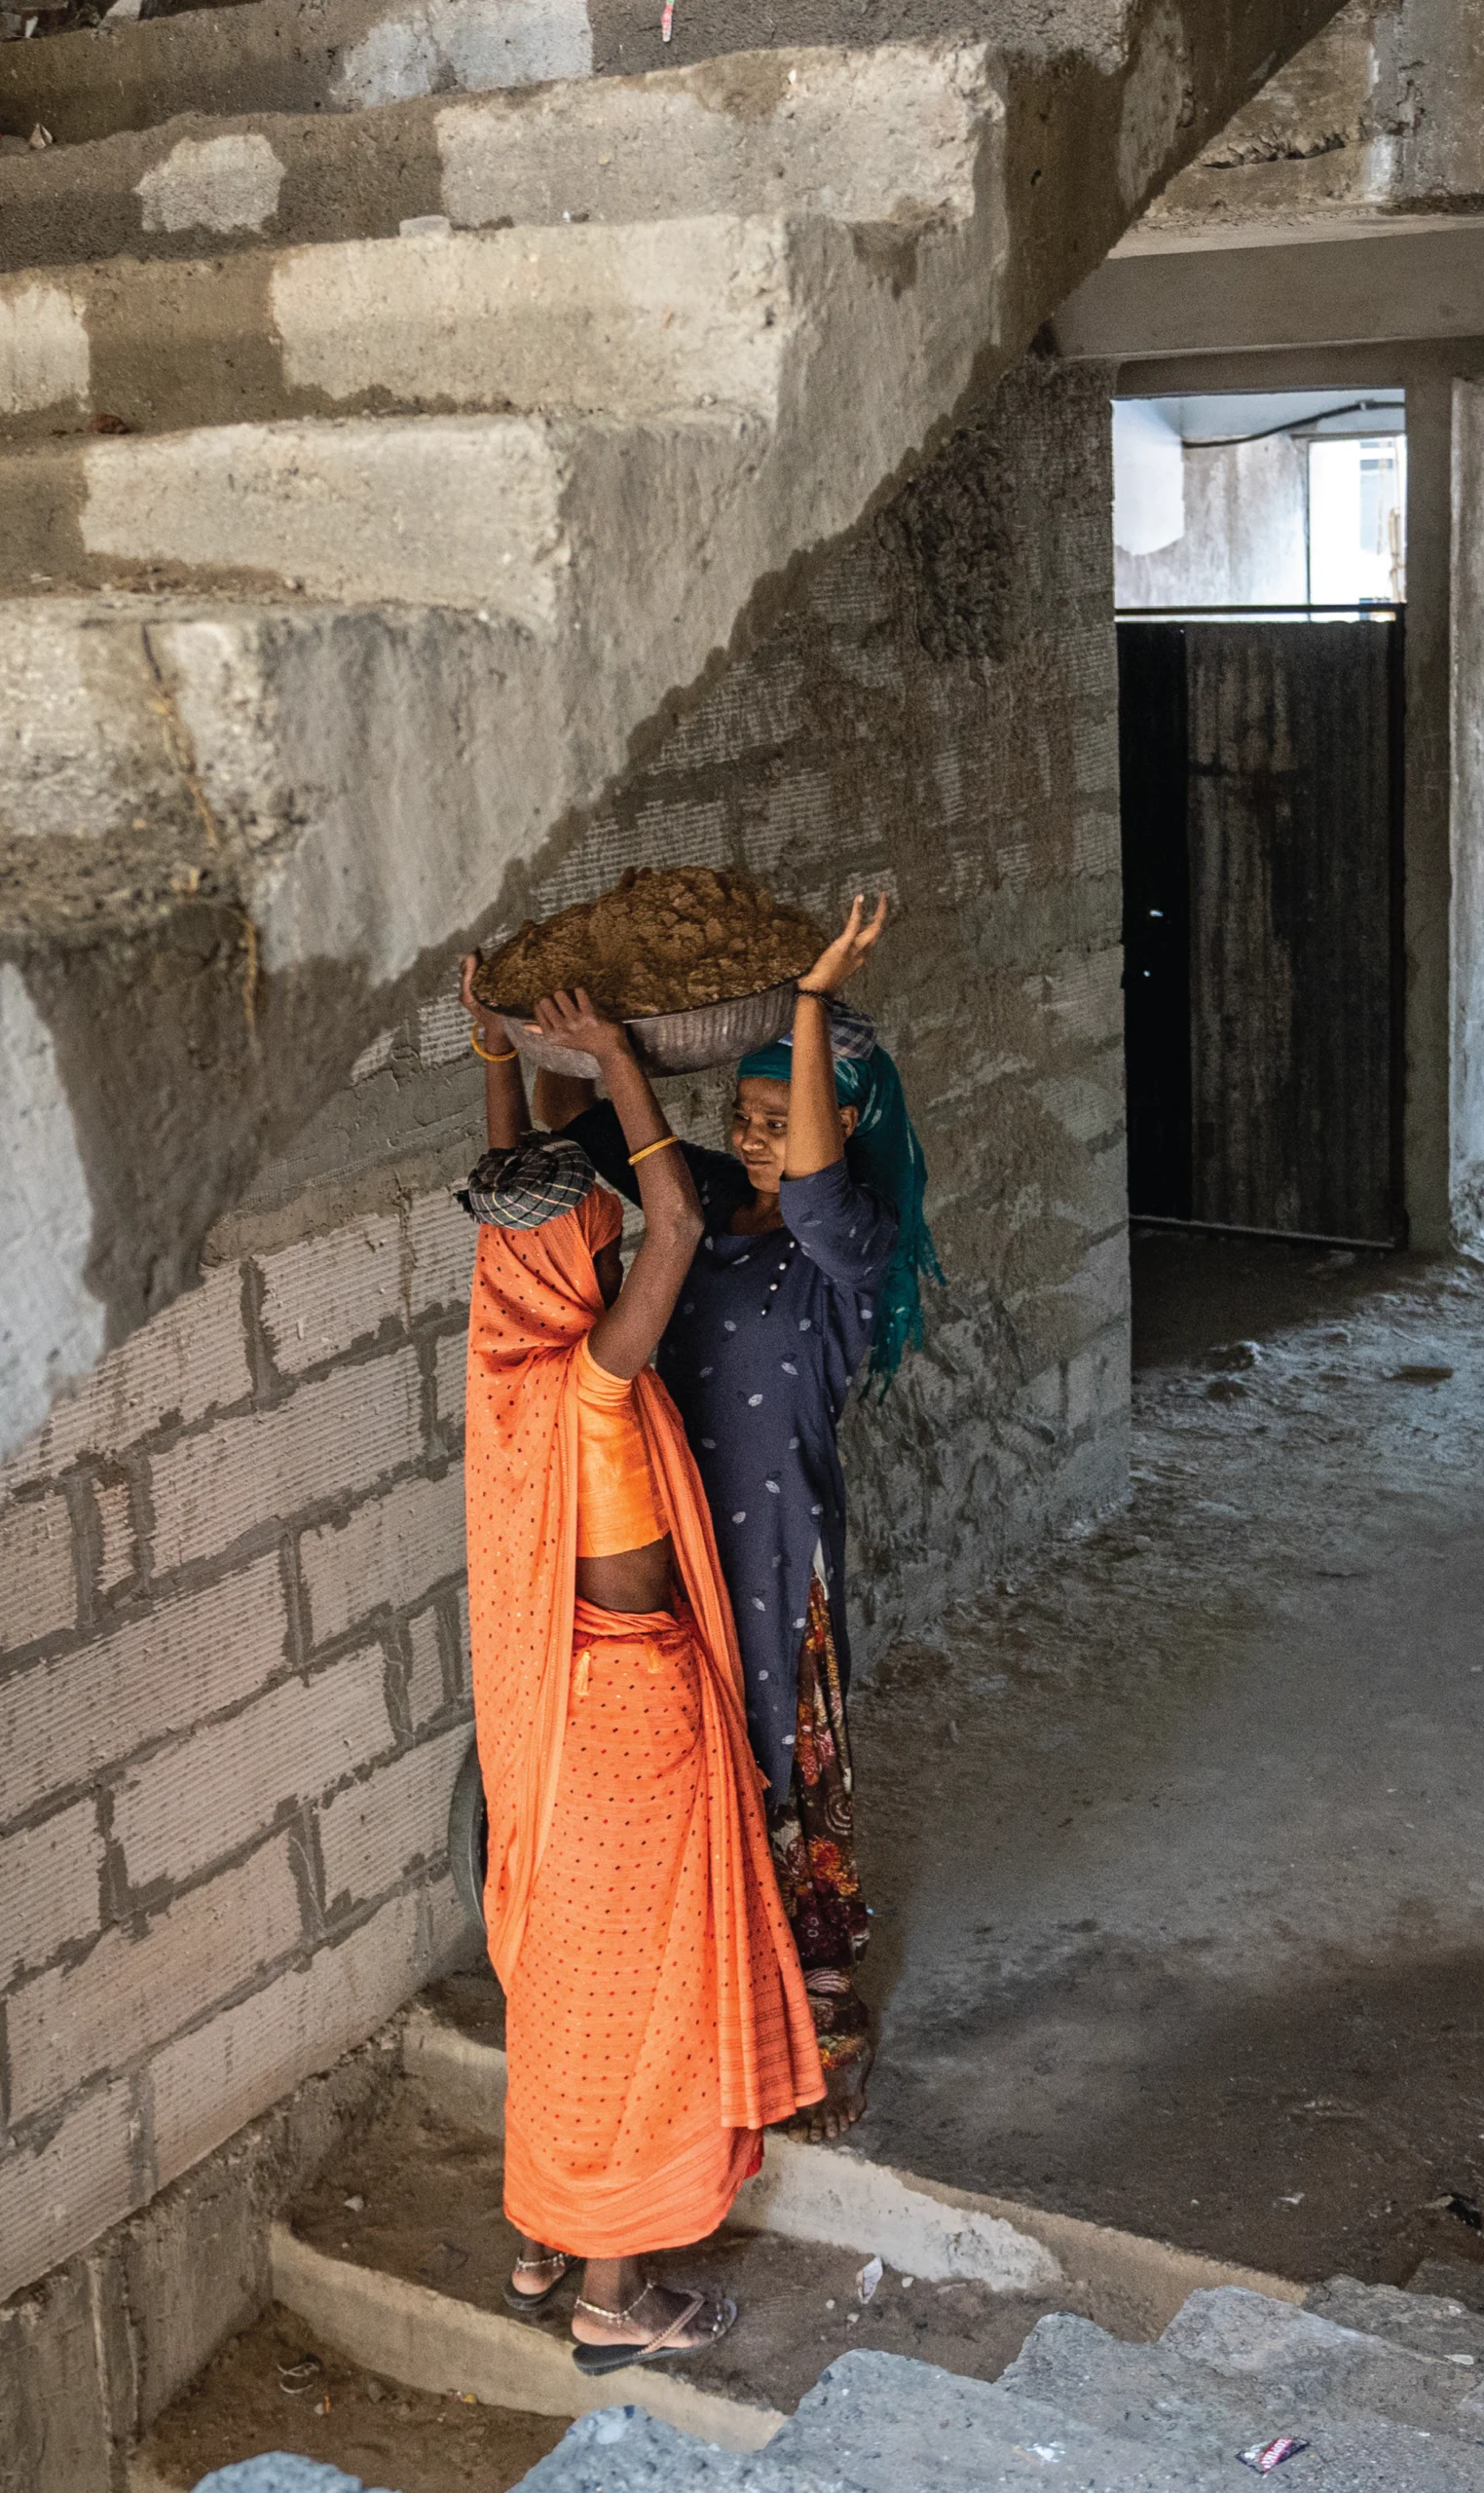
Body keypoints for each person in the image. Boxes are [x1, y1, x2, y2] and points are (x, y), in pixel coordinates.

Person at [458, 961, 823, 2373]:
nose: (615, 1254)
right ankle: (615, 2295)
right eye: (596, 1246)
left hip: (563, 1728)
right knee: (637, 1995)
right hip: (632, 1723)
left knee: (564, 1980)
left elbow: (518, 1186)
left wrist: (501, 1059)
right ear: (577, 1269)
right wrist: (615, 1058)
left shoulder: (509, 1361)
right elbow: (675, 1216)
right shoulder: (594, 1378)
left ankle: (543, 2238)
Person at [545, 895, 944, 2140]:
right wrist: (543, 1037)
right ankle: (717, 1970)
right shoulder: (711, 1204)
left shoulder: (849, 1246)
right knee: (696, 1746)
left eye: (783, 1117)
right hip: (678, 1529)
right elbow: (587, 1138)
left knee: (775, 1746)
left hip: (771, 1544)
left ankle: (816, 1997)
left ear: (843, 1120)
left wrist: (809, 1004)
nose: (756, 1135)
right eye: (745, 1113)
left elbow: (814, 1194)